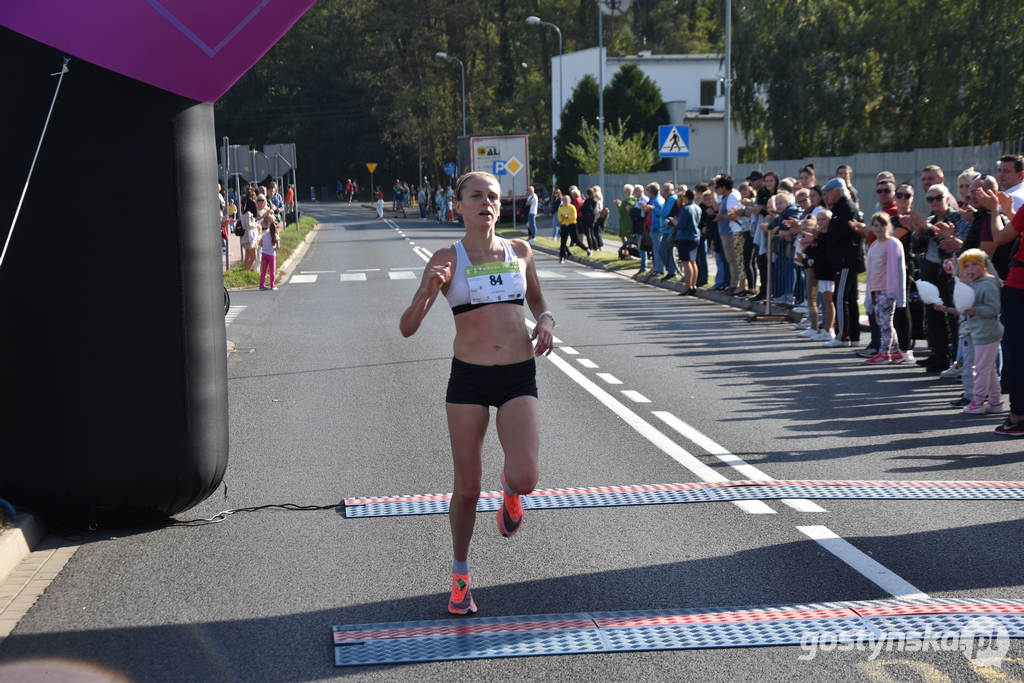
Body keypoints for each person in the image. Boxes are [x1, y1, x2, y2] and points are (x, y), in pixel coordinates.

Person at [398, 171, 555, 615]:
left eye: (492, 196)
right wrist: (429, 288)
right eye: (476, 196)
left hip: (518, 375)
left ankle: (510, 491)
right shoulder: (447, 257)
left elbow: (539, 302)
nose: (485, 203)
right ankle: (461, 575)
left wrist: (546, 321)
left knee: (526, 477)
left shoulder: (520, 251)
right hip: (468, 378)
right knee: (466, 490)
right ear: (459, 206)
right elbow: (407, 327)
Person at [944, 249, 1003, 413]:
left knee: (982, 368)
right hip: (979, 332)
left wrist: (974, 310)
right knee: (988, 368)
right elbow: (960, 303)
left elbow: (993, 309)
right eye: (966, 266)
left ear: (984, 265)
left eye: (975, 265)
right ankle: (995, 402)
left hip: (988, 332)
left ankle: (977, 401)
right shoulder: (974, 283)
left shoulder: (989, 283)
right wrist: (962, 284)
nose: (970, 269)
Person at [822, 177, 864, 348]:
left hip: (846, 261)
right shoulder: (841, 208)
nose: (826, 196)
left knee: (841, 297)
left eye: (828, 192)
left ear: (837, 192)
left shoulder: (846, 208)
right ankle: (852, 335)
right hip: (845, 260)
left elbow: (840, 233)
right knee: (849, 298)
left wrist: (822, 235)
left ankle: (843, 335)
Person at [863, 213, 907, 363]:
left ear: (888, 226)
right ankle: (896, 352)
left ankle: (884, 353)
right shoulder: (874, 245)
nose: (879, 228)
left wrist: (899, 294)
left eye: (882, 225)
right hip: (876, 289)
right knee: (881, 321)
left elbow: (899, 271)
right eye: (875, 225)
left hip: (888, 290)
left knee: (886, 322)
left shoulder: (893, 244)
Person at [258, 210, 280, 290]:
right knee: (272, 271)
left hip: (264, 254)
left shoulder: (264, 235)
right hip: (272, 254)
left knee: (263, 271)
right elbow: (278, 247)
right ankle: (272, 285)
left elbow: (260, 244)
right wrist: (273, 248)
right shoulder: (276, 236)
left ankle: (262, 285)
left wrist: (265, 246)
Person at [556, 194, 578, 264]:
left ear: (569, 200)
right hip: (564, 225)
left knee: (575, 239)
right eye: (564, 200)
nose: (565, 201)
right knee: (563, 242)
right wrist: (563, 217)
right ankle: (562, 257)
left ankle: (587, 249)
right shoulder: (561, 208)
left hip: (571, 225)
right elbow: (559, 218)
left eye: (566, 200)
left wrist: (567, 217)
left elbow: (574, 217)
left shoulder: (572, 207)